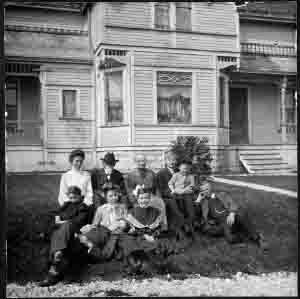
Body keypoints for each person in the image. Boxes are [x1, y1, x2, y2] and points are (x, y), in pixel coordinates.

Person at [39, 186, 90, 286]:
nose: (72, 199)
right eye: (70, 197)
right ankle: (58, 252)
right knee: (60, 231)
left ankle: (53, 273)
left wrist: (62, 221)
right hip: (61, 231)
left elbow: (78, 221)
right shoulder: (66, 205)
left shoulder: (83, 207)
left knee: (68, 225)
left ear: (80, 196)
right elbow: (55, 213)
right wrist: (57, 217)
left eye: (75, 197)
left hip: (73, 230)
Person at [198, 186, 268, 249]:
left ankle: (258, 238)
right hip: (222, 223)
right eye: (203, 190)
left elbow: (232, 204)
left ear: (210, 188)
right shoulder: (204, 202)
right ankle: (242, 236)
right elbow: (197, 213)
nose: (205, 191)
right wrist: (198, 199)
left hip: (231, 216)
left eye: (206, 189)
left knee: (241, 215)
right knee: (230, 239)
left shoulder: (222, 195)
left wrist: (232, 213)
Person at [118, 187, 164, 273]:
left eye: (146, 198)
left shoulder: (156, 211)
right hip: (137, 237)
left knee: (156, 245)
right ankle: (137, 265)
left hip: (151, 236)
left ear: (150, 198)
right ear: (137, 199)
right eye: (141, 198)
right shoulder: (132, 212)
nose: (144, 200)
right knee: (129, 243)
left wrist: (153, 235)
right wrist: (143, 235)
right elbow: (132, 229)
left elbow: (159, 227)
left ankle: (149, 265)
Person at [78, 184, 128, 259]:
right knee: (98, 232)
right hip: (103, 231)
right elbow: (95, 224)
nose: (114, 198)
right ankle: (87, 242)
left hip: (117, 231)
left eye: (115, 195)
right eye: (110, 196)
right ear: (105, 197)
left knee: (115, 240)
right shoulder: (101, 209)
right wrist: (90, 227)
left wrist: (119, 218)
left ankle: (98, 252)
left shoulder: (122, 207)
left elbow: (126, 222)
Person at [126, 154, 168, 230]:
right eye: (139, 161)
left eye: (143, 161)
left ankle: (162, 224)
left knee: (161, 202)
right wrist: (134, 200)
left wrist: (159, 197)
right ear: (135, 162)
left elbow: (157, 187)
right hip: (138, 197)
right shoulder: (131, 175)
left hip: (151, 195)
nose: (142, 163)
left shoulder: (151, 173)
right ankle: (142, 226)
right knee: (143, 203)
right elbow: (129, 190)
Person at [156, 151, 186, 237]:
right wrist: (172, 193)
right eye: (169, 160)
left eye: (174, 160)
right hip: (167, 197)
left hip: (180, 194)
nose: (172, 162)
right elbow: (161, 189)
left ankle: (189, 222)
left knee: (187, 199)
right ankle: (180, 225)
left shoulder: (179, 172)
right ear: (165, 161)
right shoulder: (161, 173)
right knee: (173, 202)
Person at [168, 160, 197, 235]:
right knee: (177, 204)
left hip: (187, 193)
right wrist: (173, 190)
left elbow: (192, 186)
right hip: (177, 192)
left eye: (187, 168)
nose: (185, 170)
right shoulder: (176, 175)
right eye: (183, 168)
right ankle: (181, 223)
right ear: (179, 168)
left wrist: (187, 190)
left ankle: (190, 222)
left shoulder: (191, 176)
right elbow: (170, 183)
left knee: (189, 205)